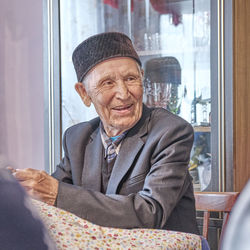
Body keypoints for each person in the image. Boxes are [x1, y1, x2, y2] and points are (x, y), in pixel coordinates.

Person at [11, 32, 199, 234]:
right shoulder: (78, 138)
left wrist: (57, 194)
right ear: (84, 93)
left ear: (142, 78)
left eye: (130, 78)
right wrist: (21, 188)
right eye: (107, 83)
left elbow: (150, 212)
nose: (123, 93)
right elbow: (49, 199)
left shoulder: (170, 132)